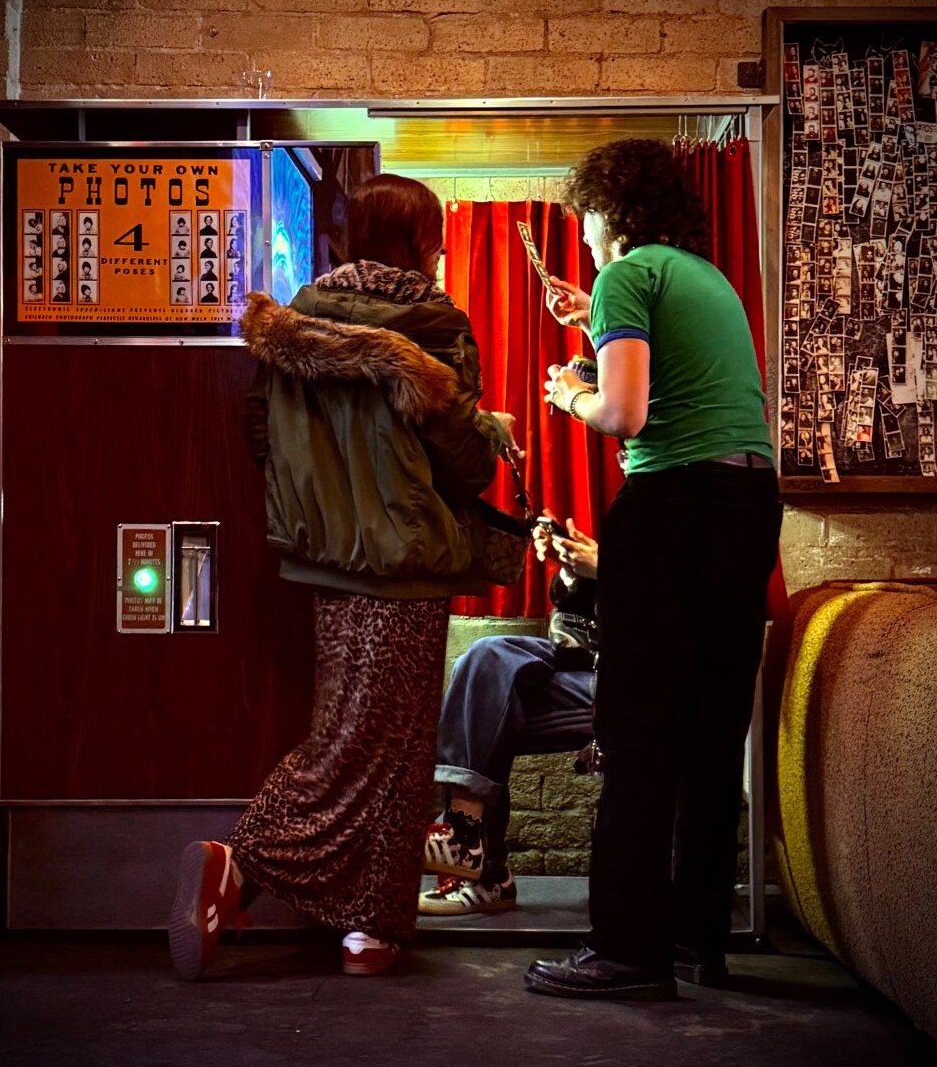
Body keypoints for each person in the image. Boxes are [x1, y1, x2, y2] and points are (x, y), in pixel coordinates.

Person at [168, 173, 517, 981]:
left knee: (367, 737)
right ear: (417, 240)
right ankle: (244, 866)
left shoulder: (298, 317)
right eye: (433, 237)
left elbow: (261, 431)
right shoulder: (435, 322)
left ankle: (370, 923)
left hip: (325, 560)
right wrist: (488, 433)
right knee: (375, 746)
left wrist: (329, 493)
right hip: (405, 563)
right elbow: (463, 466)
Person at [525, 138, 782, 1002]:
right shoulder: (707, 279)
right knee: (710, 732)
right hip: (747, 506)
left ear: (611, 213)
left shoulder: (625, 276)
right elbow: (674, 371)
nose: (584, 237)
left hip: (671, 504)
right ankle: (696, 941)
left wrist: (570, 394)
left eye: (585, 220)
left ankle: (626, 952)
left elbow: (625, 411)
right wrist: (591, 319)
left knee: (635, 733)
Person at [420, 515, 598, 916]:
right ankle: (468, 841)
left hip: (636, 676)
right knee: (485, 660)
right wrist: (574, 568)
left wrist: (604, 568)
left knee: (486, 710)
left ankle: (481, 867)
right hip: (587, 656)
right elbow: (584, 612)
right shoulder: (642, 510)